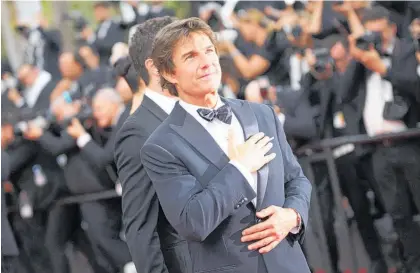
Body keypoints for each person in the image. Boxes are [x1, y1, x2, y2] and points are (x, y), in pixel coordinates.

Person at [140, 17, 312, 273]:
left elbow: (296, 180)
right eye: (190, 57)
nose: (206, 62)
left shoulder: (262, 114)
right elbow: (193, 221)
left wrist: (293, 216)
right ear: (168, 73)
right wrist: (241, 168)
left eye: (209, 51)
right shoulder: (161, 146)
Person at [114, 16, 189, 273]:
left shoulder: (208, 107)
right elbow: (141, 230)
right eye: (187, 55)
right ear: (156, 68)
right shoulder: (138, 133)